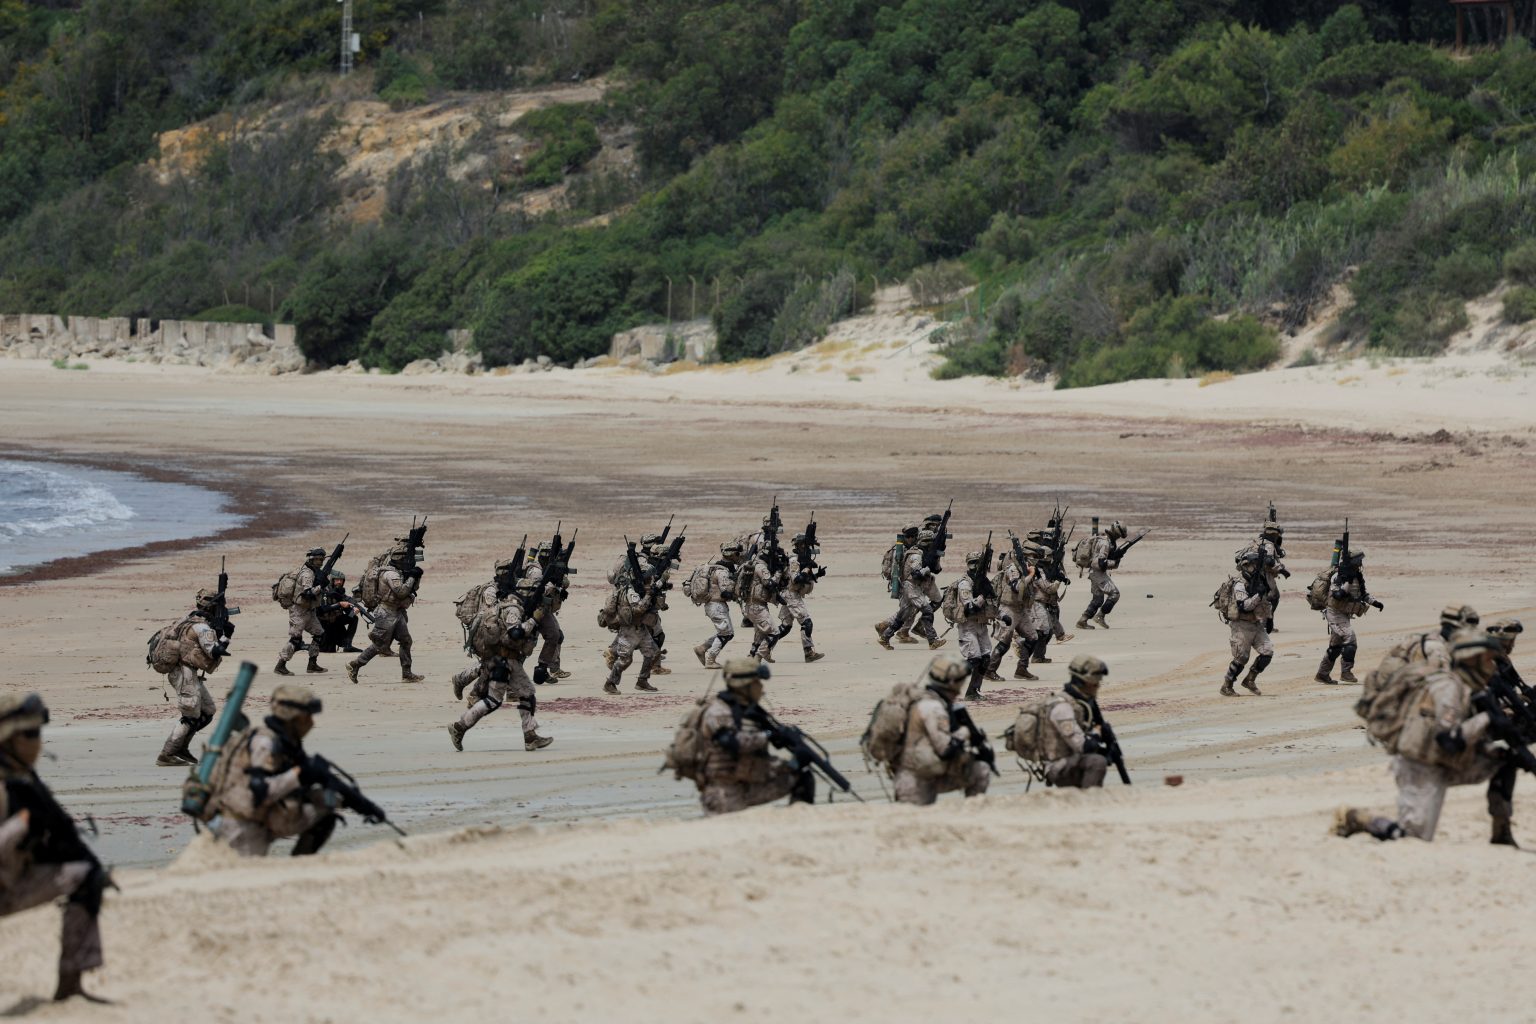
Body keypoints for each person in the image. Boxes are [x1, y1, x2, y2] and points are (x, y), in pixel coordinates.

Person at [1334, 631, 1521, 846]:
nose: (1491, 666)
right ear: (1473, 658)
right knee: (1412, 838)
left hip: (1445, 762)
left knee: (1504, 761)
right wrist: (1488, 719)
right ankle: (1359, 819)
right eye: (1487, 660)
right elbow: (1448, 739)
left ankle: (1501, 833)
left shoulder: (1467, 686)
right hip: (1420, 768)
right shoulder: (1448, 687)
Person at [0, 693, 109, 1002]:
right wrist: (20, 826)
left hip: (11, 881)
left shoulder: (23, 779)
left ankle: (70, 983)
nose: (37, 742)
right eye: (30, 735)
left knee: (87, 877)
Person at [206, 684, 386, 855]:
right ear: (293, 718)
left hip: (250, 817)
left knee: (324, 802)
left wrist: (362, 805)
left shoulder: (286, 742)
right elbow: (259, 792)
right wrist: (298, 775)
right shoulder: (265, 743)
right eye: (307, 717)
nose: (311, 723)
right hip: (237, 824)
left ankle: (300, 863)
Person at [696, 658, 814, 815]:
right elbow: (733, 744)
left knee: (801, 777)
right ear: (745, 686)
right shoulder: (719, 712)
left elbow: (761, 756)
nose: (761, 687)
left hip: (749, 782)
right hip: (724, 791)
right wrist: (768, 735)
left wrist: (792, 759)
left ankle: (798, 824)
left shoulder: (749, 711)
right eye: (757, 683)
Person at [892, 653, 992, 805]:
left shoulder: (927, 698)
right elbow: (945, 749)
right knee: (981, 770)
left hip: (920, 772)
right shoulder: (933, 708)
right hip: (918, 780)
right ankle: (972, 812)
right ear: (952, 684)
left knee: (979, 769)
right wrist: (965, 732)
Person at [156, 589, 228, 767]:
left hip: (183, 671)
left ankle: (181, 748)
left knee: (207, 710)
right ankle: (167, 753)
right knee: (190, 714)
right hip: (184, 672)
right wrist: (226, 638)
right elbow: (213, 651)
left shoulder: (187, 620)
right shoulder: (202, 627)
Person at [347, 541, 425, 684]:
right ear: (399, 559)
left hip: (396, 611)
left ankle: (407, 673)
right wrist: (413, 577)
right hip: (386, 612)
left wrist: (416, 577)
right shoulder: (390, 574)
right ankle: (355, 664)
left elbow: (412, 590)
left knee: (406, 641)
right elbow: (401, 592)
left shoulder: (398, 572)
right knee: (380, 645)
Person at [1039, 656, 1114, 789]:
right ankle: (1087, 801)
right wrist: (1097, 734)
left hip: (1071, 758)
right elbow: (1083, 746)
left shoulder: (1082, 703)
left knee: (1099, 756)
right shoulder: (1062, 707)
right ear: (1084, 683)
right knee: (1097, 762)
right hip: (1057, 765)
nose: (1098, 687)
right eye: (1095, 684)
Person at [1314, 550, 1382, 685]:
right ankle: (1346, 673)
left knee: (1335, 647)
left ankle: (1322, 674)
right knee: (1350, 640)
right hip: (1334, 614)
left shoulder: (1357, 576)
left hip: (1344, 614)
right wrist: (1347, 583)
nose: (1361, 563)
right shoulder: (1339, 576)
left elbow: (1362, 594)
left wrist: (1374, 602)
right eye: (1358, 561)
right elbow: (1337, 595)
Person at [878, 530, 945, 650]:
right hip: (911, 587)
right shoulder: (916, 555)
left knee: (903, 615)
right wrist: (926, 570)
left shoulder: (918, 553)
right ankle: (932, 640)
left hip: (910, 587)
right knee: (927, 610)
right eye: (928, 542)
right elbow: (916, 574)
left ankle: (885, 637)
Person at [1221, 550, 1274, 697]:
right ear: (1246, 566)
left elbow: (1266, 602)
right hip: (1241, 625)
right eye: (1254, 565)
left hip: (1257, 624)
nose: (1257, 567)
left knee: (1267, 652)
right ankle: (1227, 685)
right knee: (1241, 658)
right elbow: (1245, 606)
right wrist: (1258, 595)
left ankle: (1250, 679)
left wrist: (1269, 618)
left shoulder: (1259, 580)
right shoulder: (1239, 584)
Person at [603, 566, 661, 693]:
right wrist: (648, 596)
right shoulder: (630, 591)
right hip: (629, 630)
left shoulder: (640, 588)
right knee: (625, 660)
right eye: (648, 577)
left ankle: (642, 681)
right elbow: (637, 610)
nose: (650, 579)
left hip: (641, 628)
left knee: (653, 654)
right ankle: (610, 683)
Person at [954, 550, 1001, 699]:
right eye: (973, 563)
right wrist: (981, 596)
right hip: (968, 626)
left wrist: (1003, 616)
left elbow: (991, 606)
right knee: (975, 659)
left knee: (985, 658)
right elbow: (969, 608)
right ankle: (953, 679)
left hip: (981, 624)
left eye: (978, 563)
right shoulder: (965, 584)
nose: (975, 566)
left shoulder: (983, 582)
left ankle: (973, 690)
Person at [275, 547, 329, 677]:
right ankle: (280, 665)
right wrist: (320, 587)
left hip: (309, 611)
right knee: (295, 639)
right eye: (318, 560)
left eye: (321, 559)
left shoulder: (313, 571)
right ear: (311, 559)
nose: (320, 562)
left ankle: (312, 664)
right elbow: (307, 593)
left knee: (319, 633)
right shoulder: (307, 574)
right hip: (299, 611)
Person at [522, 544, 571, 684]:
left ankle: (545, 668)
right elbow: (535, 591)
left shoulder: (548, 567)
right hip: (532, 609)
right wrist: (553, 585)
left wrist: (560, 583)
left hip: (543, 609)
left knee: (556, 635)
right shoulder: (535, 571)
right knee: (526, 644)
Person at [989, 548, 1039, 681]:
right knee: (1004, 642)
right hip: (1009, 608)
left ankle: (1021, 669)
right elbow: (1016, 587)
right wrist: (1031, 574)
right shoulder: (1013, 568)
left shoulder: (1025, 567)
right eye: (1032, 555)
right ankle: (990, 670)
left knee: (1033, 637)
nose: (1034, 558)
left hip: (1021, 609)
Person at [693, 542, 743, 669]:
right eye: (736, 553)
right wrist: (737, 594)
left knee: (728, 633)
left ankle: (702, 648)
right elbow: (725, 592)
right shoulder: (722, 572)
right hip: (716, 606)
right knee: (725, 633)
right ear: (731, 554)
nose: (738, 556)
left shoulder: (715, 567)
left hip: (714, 606)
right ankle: (710, 659)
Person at [778, 533, 826, 663]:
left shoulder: (801, 559)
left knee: (785, 627)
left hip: (791, 594)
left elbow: (803, 578)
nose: (806, 547)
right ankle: (809, 652)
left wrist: (817, 575)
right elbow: (796, 579)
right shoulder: (794, 560)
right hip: (791, 595)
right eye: (804, 544)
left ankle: (761, 648)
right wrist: (807, 568)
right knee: (806, 622)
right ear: (799, 545)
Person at [1077, 521, 1127, 630]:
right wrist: (1114, 562)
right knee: (1114, 594)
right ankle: (1100, 616)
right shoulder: (1105, 543)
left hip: (1094, 573)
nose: (1119, 537)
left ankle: (1082, 620)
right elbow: (1099, 563)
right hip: (1097, 573)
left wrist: (1115, 560)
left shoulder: (1108, 541)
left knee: (1098, 600)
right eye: (1119, 535)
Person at [315, 571, 362, 654]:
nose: (339, 582)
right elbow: (322, 609)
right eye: (337, 580)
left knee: (354, 618)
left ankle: (348, 645)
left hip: (336, 621)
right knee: (327, 650)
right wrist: (339, 604)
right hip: (325, 624)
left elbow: (347, 611)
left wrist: (353, 611)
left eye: (341, 580)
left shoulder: (340, 592)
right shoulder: (325, 591)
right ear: (332, 580)